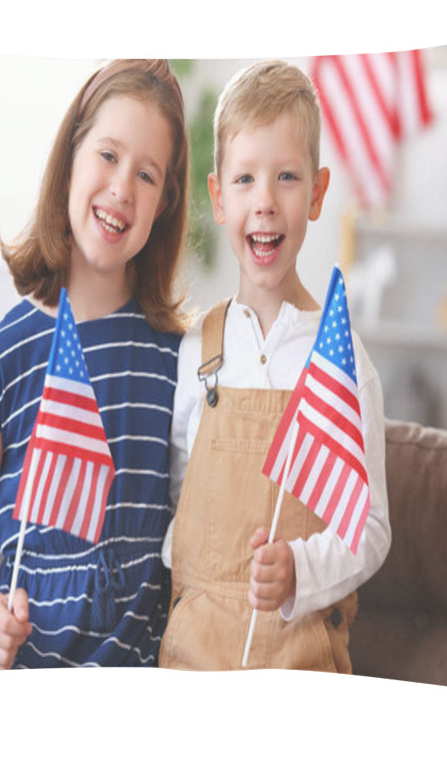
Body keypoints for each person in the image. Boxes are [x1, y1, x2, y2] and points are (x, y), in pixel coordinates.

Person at [0, 59, 190, 671]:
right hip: (16, 671)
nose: (121, 188)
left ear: (162, 205)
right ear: (71, 157)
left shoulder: (178, 361)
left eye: (147, 175)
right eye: (107, 155)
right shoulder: (3, 359)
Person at [159, 60, 391, 672]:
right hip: (196, 654)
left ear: (316, 194)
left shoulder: (342, 362)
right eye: (244, 180)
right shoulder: (198, 352)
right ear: (217, 197)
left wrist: (301, 572)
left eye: (286, 177)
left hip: (300, 657)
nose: (264, 202)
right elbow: (180, 495)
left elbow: (370, 526)